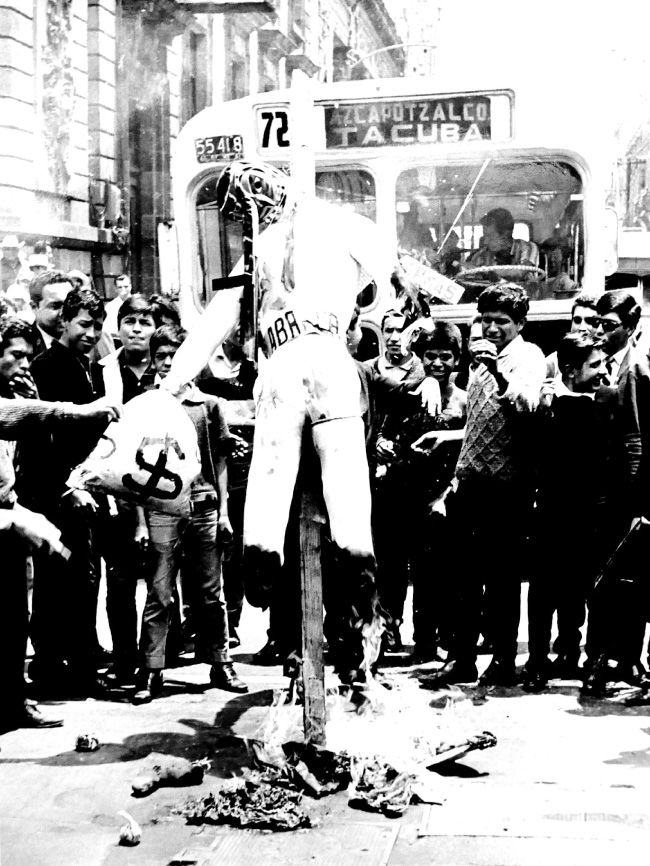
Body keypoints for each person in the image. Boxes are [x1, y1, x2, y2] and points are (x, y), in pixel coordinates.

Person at [163, 160, 395, 684]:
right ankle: (358, 549)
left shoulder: (257, 253)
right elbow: (379, 307)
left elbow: (209, 329)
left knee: (272, 463)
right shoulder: (347, 240)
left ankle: (260, 550)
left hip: (284, 364)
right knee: (345, 466)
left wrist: (172, 384)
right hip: (334, 362)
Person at [0, 316, 120, 729]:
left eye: (27, 356)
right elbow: (20, 415)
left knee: (14, 614)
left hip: (11, 511)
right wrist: (81, 412)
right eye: (15, 355)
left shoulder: (18, 388)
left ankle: (14, 699)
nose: (23, 364)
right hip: (8, 515)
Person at [430, 284, 546, 687]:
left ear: (520, 323)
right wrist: (451, 446)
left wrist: (498, 369)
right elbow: (481, 424)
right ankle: (461, 658)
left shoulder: (526, 357)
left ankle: (502, 660)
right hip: (471, 485)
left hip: (506, 489)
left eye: (501, 322)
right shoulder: (479, 361)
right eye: (486, 320)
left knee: (502, 580)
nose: (492, 328)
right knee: (462, 578)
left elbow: (526, 405)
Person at [133, 325, 247, 702]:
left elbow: (222, 460)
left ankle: (220, 661)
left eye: (177, 356)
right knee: (160, 592)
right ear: (154, 360)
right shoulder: (147, 404)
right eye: (163, 356)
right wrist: (140, 521)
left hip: (204, 505)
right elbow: (132, 468)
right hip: (162, 508)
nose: (170, 364)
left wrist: (226, 513)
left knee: (210, 591)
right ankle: (151, 668)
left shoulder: (209, 405)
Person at [27, 288, 109, 696]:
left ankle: (78, 666)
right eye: (84, 325)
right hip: (52, 490)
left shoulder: (84, 364)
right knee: (58, 582)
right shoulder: (46, 366)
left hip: (80, 487)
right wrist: (67, 487)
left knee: (81, 580)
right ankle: (52, 670)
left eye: (97, 326)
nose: (92, 334)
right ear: (66, 322)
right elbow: (43, 435)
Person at [523, 334, 614, 692]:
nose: (604, 372)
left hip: (594, 513)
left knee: (593, 591)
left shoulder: (608, 401)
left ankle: (593, 662)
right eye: (596, 366)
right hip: (552, 512)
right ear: (572, 371)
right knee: (544, 590)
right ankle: (536, 662)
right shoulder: (547, 405)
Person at [384, 322, 468, 663]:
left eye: (445, 357)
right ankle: (387, 636)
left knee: (432, 573)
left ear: (457, 359)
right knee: (392, 570)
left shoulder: (463, 401)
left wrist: (448, 493)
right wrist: (383, 446)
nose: (437, 364)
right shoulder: (409, 395)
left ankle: (427, 642)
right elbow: (385, 432)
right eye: (430, 356)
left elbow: (468, 452)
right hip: (400, 492)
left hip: (440, 498)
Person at [582, 290, 650, 694]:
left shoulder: (636, 368)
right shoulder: (604, 365)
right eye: (597, 325)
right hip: (603, 486)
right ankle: (605, 658)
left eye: (609, 327)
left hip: (626, 490)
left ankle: (620, 660)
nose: (600, 333)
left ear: (631, 328)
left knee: (622, 581)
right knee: (603, 579)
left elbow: (640, 436)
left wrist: (639, 499)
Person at [97, 294, 157, 685]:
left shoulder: (166, 369)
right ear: (117, 327)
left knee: (162, 574)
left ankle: (158, 656)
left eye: (145, 322)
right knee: (119, 577)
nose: (137, 329)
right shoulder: (103, 369)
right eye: (129, 321)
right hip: (118, 483)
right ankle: (123, 658)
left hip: (161, 482)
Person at [365, 310, 424, 652]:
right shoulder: (370, 370)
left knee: (400, 559)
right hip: (374, 473)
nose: (394, 336)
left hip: (409, 474)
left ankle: (396, 623)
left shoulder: (423, 373)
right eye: (388, 330)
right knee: (374, 555)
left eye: (401, 330)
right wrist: (374, 446)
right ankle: (376, 623)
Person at [545, 292, 600, 379]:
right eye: (577, 321)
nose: (582, 328)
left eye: (590, 321)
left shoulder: (608, 361)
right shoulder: (553, 362)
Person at [464, 208, 539, 269]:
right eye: (485, 236)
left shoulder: (526, 247)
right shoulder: (480, 254)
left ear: (505, 235)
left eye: (490, 236)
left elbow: (521, 272)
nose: (485, 242)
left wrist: (486, 269)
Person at [27, 271, 74, 359]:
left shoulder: (86, 341)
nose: (65, 313)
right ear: (34, 307)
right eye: (56, 306)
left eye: (69, 304)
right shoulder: (24, 346)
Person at [103, 274, 132, 339]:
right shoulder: (110, 307)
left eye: (126, 286)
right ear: (116, 289)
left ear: (130, 286)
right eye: (120, 287)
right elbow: (106, 330)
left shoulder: (137, 303)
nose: (123, 289)